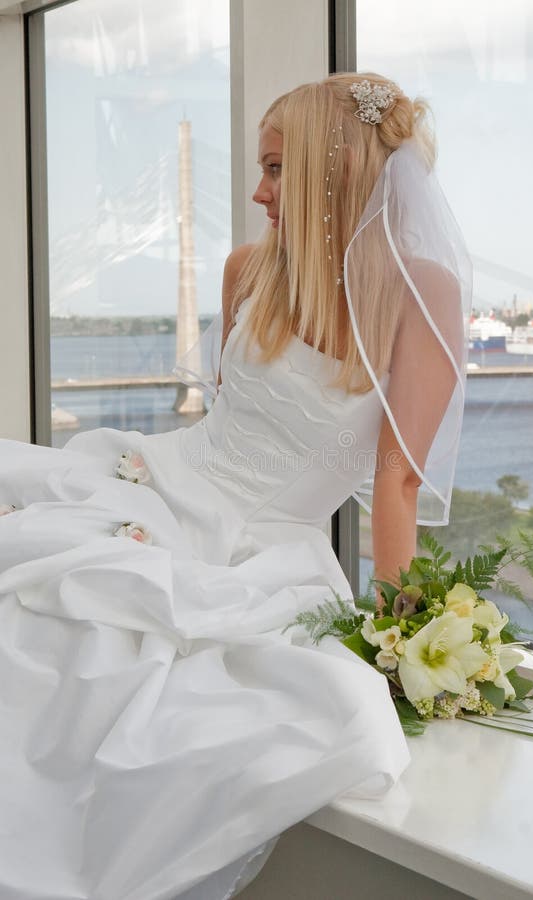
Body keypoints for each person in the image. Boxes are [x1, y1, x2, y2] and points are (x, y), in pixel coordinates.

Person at [0, 72, 470, 900]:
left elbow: (396, 483)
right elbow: (228, 419)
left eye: (277, 169)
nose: (257, 191)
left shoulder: (420, 294)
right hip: (158, 482)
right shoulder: (248, 268)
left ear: (336, 170)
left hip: (260, 550)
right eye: (261, 167)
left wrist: (404, 647)